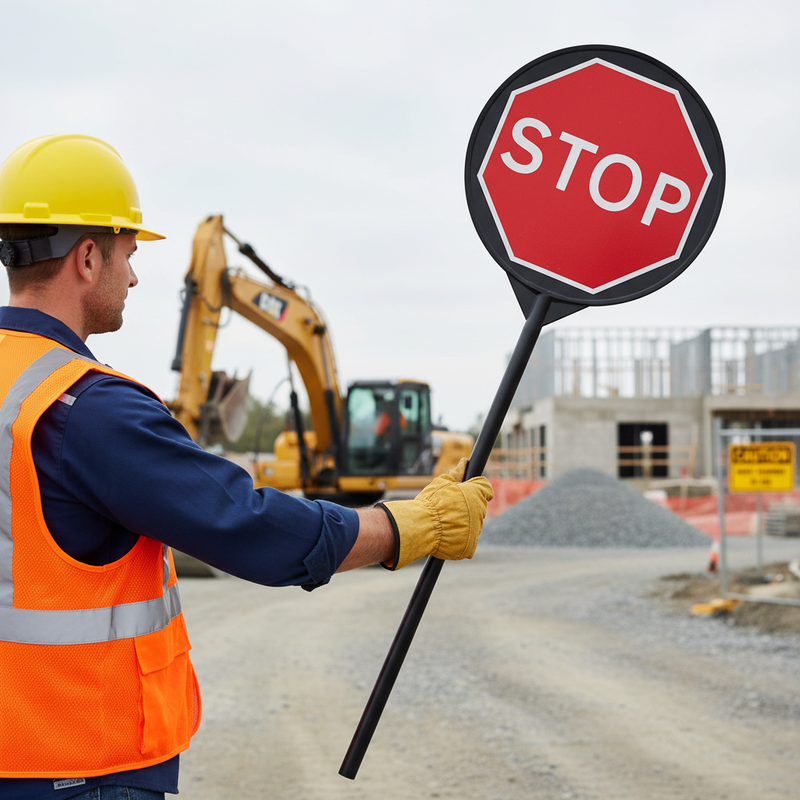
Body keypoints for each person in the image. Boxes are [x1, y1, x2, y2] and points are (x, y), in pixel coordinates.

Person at [0, 134, 494, 800]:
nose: (136, 277)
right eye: (130, 255)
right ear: (88, 258)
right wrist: (407, 527)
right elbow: (249, 527)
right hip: (72, 765)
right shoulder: (83, 408)